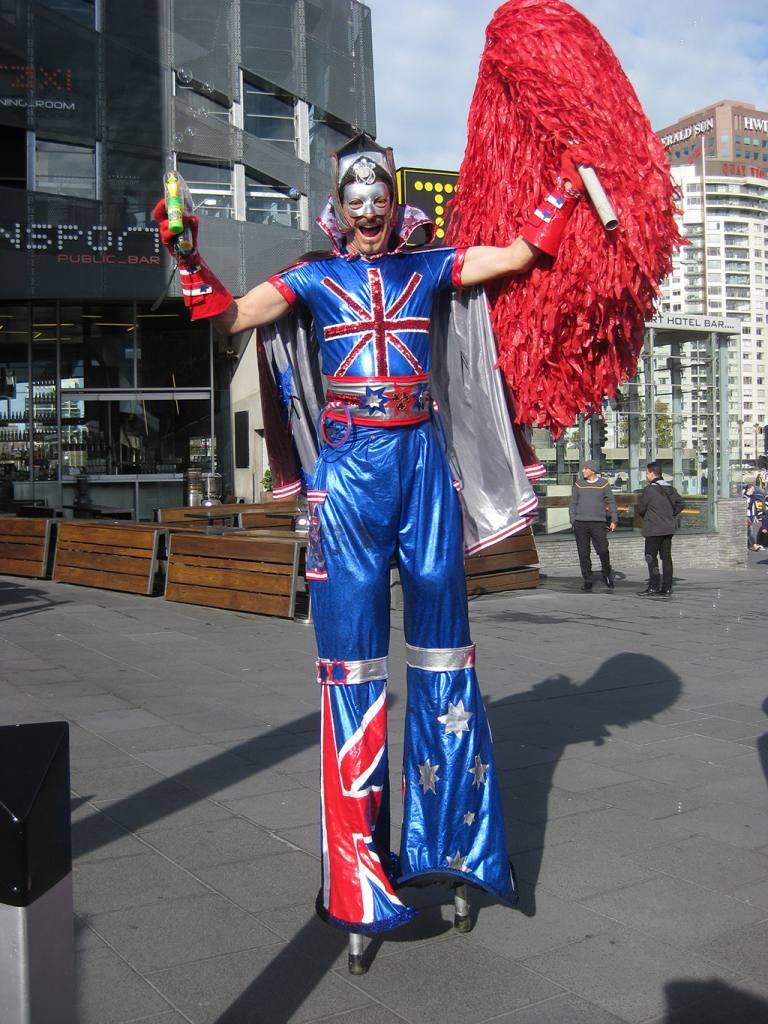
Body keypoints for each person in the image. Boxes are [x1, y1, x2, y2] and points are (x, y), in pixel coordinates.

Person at [154, 134, 583, 945]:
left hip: (423, 465)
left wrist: (562, 185)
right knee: (349, 672)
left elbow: (520, 256)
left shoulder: (430, 266)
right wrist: (186, 255)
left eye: (379, 194)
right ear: (338, 206)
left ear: (394, 200)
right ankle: (357, 881)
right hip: (349, 477)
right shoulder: (313, 275)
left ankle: (455, 849)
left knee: (446, 657)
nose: (370, 209)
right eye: (355, 197)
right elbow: (231, 317)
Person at [636, 461, 685, 596]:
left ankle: (653, 586)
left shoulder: (649, 490)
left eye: (647, 473)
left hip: (653, 529)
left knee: (651, 558)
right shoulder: (670, 488)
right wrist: (671, 513)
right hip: (668, 528)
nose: (646, 475)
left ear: (652, 473)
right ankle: (667, 587)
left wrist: (648, 515)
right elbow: (681, 503)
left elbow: (641, 509)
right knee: (666, 557)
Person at [569, 460, 618, 591]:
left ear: (593, 470)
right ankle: (587, 578)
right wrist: (573, 520)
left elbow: (611, 502)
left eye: (585, 469)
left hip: (598, 523)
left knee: (603, 550)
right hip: (580, 523)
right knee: (583, 553)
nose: (583, 471)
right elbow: (573, 503)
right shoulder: (579, 484)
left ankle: (607, 573)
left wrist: (614, 519)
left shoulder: (603, 484)